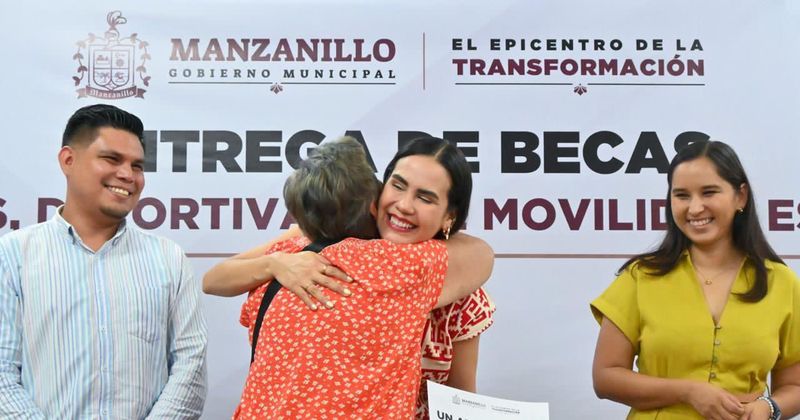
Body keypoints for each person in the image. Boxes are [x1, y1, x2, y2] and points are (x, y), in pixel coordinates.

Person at [224, 136, 493, 418]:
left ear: (450, 216)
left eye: (425, 198)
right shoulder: (304, 253)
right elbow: (217, 278)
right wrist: (275, 263)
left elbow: (462, 401)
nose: (404, 205)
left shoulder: (458, 290)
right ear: (377, 192)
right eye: (398, 185)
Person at [0, 104, 207, 419]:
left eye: (137, 166)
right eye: (111, 159)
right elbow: (2, 374)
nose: (127, 175)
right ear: (68, 160)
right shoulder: (13, 254)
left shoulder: (168, 259)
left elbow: (191, 366)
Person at [591, 140, 800, 420]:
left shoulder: (781, 282)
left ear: (741, 196)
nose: (695, 208)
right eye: (682, 195)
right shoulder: (640, 277)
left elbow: (794, 385)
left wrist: (769, 407)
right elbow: (606, 377)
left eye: (709, 192)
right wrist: (687, 391)